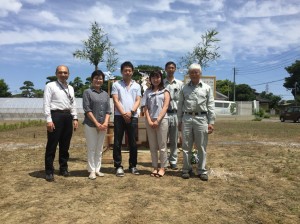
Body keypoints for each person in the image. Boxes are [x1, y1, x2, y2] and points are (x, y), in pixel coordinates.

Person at [177, 63, 215, 181]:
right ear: (189, 74)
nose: (194, 74)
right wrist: (179, 120)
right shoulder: (184, 88)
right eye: (191, 72)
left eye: (196, 72)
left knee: (201, 146)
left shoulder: (207, 88)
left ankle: (201, 170)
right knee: (186, 145)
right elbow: (180, 105)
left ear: (200, 73)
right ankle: (186, 169)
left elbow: (211, 105)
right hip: (187, 119)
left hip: (201, 119)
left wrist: (211, 122)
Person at [43, 65, 78, 182]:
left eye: (65, 72)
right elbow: (46, 103)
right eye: (60, 72)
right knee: (52, 144)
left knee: (65, 144)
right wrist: (49, 120)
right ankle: (49, 170)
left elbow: (73, 104)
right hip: (55, 116)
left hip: (68, 116)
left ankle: (63, 168)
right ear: (56, 73)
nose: (63, 75)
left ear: (68, 74)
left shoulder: (71, 88)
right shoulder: (50, 86)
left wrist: (75, 118)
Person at [111, 61, 141, 177]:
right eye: (125, 70)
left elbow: (138, 100)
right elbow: (115, 99)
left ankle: (133, 165)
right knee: (117, 141)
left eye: (129, 70)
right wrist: (124, 113)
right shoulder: (116, 84)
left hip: (133, 116)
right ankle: (118, 166)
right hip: (119, 116)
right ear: (121, 72)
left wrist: (131, 112)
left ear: (132, 72)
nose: (127, 72)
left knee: (133, 142)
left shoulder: (137, 86)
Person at [82, 70, 111, 180]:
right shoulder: (87, 92)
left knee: (99, 148)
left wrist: (105, 123)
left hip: (103, 125)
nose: (98, 80)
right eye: (96, 78)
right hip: (91, 124)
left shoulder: (105, 94)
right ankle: (91, 170)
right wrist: (97, 123)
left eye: (100, 78)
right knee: (92, 147)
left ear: (103, 80)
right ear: (92, 79)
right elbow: (87, 109)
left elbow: (108, 110)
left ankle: (98, 169)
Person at [142, 70, 170, 177]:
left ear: (161, 78)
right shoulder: (147, 92)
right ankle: (155, 167)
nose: (155, 79)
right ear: (150, 79)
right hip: (150, 120)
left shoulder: (165, 91)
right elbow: (145, 107)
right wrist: (149, 120)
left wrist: (158, 120)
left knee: (162, 145)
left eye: (157, 77)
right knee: (153, 146)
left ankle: (162, 167)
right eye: (153, 77)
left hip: (162, 120)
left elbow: (165, 107)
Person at [163, 61, 183, 170]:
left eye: (172, 67)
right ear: (165, 69)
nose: (171, 69)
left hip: (176, 114)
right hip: (164, 114)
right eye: (169, 68)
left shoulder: (180, 84)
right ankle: (164, 160)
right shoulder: (162, 83)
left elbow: (182, 100)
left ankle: (173, 160)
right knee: (163, 139)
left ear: (175, 69)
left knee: (174, 139)